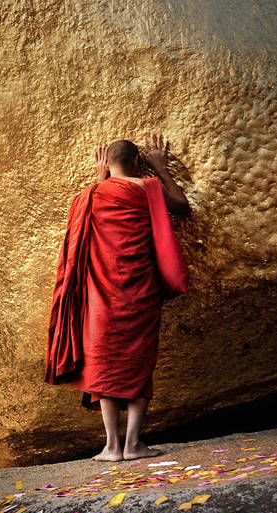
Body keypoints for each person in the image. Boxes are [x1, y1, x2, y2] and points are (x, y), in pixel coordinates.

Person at [44, 133, 190, 462]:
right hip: (141, 292)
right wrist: (161, 169)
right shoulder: (147, 188)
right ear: (138, 164)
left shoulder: (89, 195)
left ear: (107, 165)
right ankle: (134, 444)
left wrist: (99, 179)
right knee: (138, 362)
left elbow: (84, 229)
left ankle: (111, 446)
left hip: (100, 294)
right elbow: (182, 206)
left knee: (104, 364)